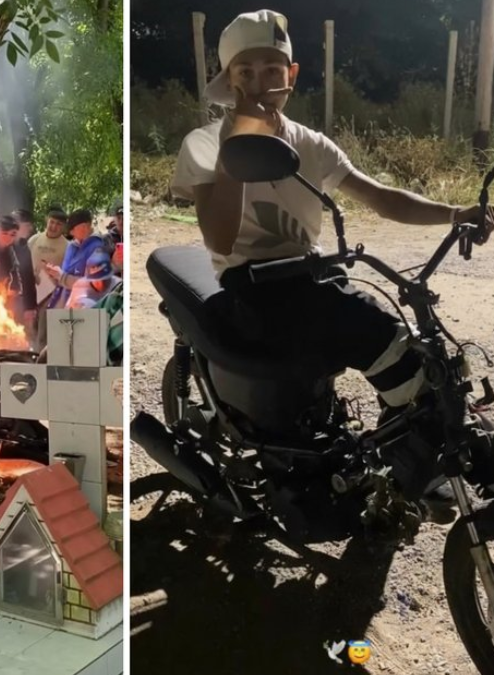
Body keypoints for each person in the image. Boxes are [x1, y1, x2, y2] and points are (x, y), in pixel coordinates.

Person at [172, 9, 494, 499]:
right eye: (246, 72)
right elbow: (218, 238)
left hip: (312, 278)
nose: (260, 83)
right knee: (364, 323)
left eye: (272, 70)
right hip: (252, 289)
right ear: (230, 80)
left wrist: (455, 213)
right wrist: (239, 145)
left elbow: (380, 196)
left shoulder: (310, 143)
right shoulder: (204, 143)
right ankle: (414, 464)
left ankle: (409, 454)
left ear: (291, 76)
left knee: (415, 347)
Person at [0, 215, 37, 333]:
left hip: (14, 299)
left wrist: (30, 306)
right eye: (5, 234)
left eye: (13, 234)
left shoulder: (21, 250)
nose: (8, 238)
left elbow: (28, 277)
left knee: (15, 334)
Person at [43, 209, 104, 310]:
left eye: (72, 229)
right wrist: (56, 273)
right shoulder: (71, 246)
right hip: (61, 306)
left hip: (83, 310)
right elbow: (65, 273)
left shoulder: (97, 248)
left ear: (85, 226)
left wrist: (62, 277)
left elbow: (93, 285)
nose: (70, 233)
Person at [27, 207, 69, 350]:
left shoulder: (67, 247)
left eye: (58, 224)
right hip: (31, 291)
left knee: (44, 333)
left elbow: (67, 272)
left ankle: (41, 360)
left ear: (63, 227)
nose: (54, 226)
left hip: (52, 295)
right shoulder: (34, 240)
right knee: (28, 329)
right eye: (52, 222)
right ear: (47, 220)